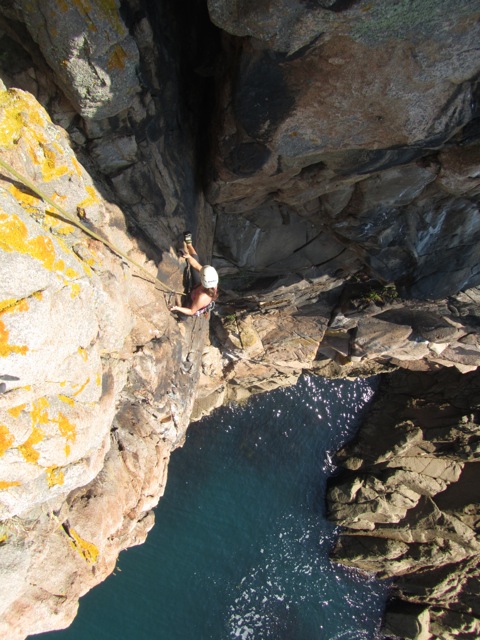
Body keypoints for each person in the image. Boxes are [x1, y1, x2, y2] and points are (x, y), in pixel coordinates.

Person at [170, 233, 219, 317]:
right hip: (197, 288)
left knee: (182, 316)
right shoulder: (211, 279)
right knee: (195, 259)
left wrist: (177, 308)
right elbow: (196, 265)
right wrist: (188, 256)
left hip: (193, 300)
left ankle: (181, 318)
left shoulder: (202, 297)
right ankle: (189, 244)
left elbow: (191, 311)